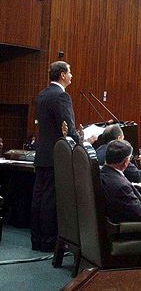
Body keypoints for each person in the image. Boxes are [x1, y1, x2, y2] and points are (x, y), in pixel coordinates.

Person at [31, 61, 81, 252]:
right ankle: (50, 242)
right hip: (56, 157)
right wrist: (80, 144)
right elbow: (67, 127)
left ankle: (37, 240)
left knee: (38, 198)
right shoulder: (61, 96)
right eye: (69, 72)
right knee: (51, 200)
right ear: (62, 75)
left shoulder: (42, 95)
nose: (71, 76)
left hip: (42, 154)